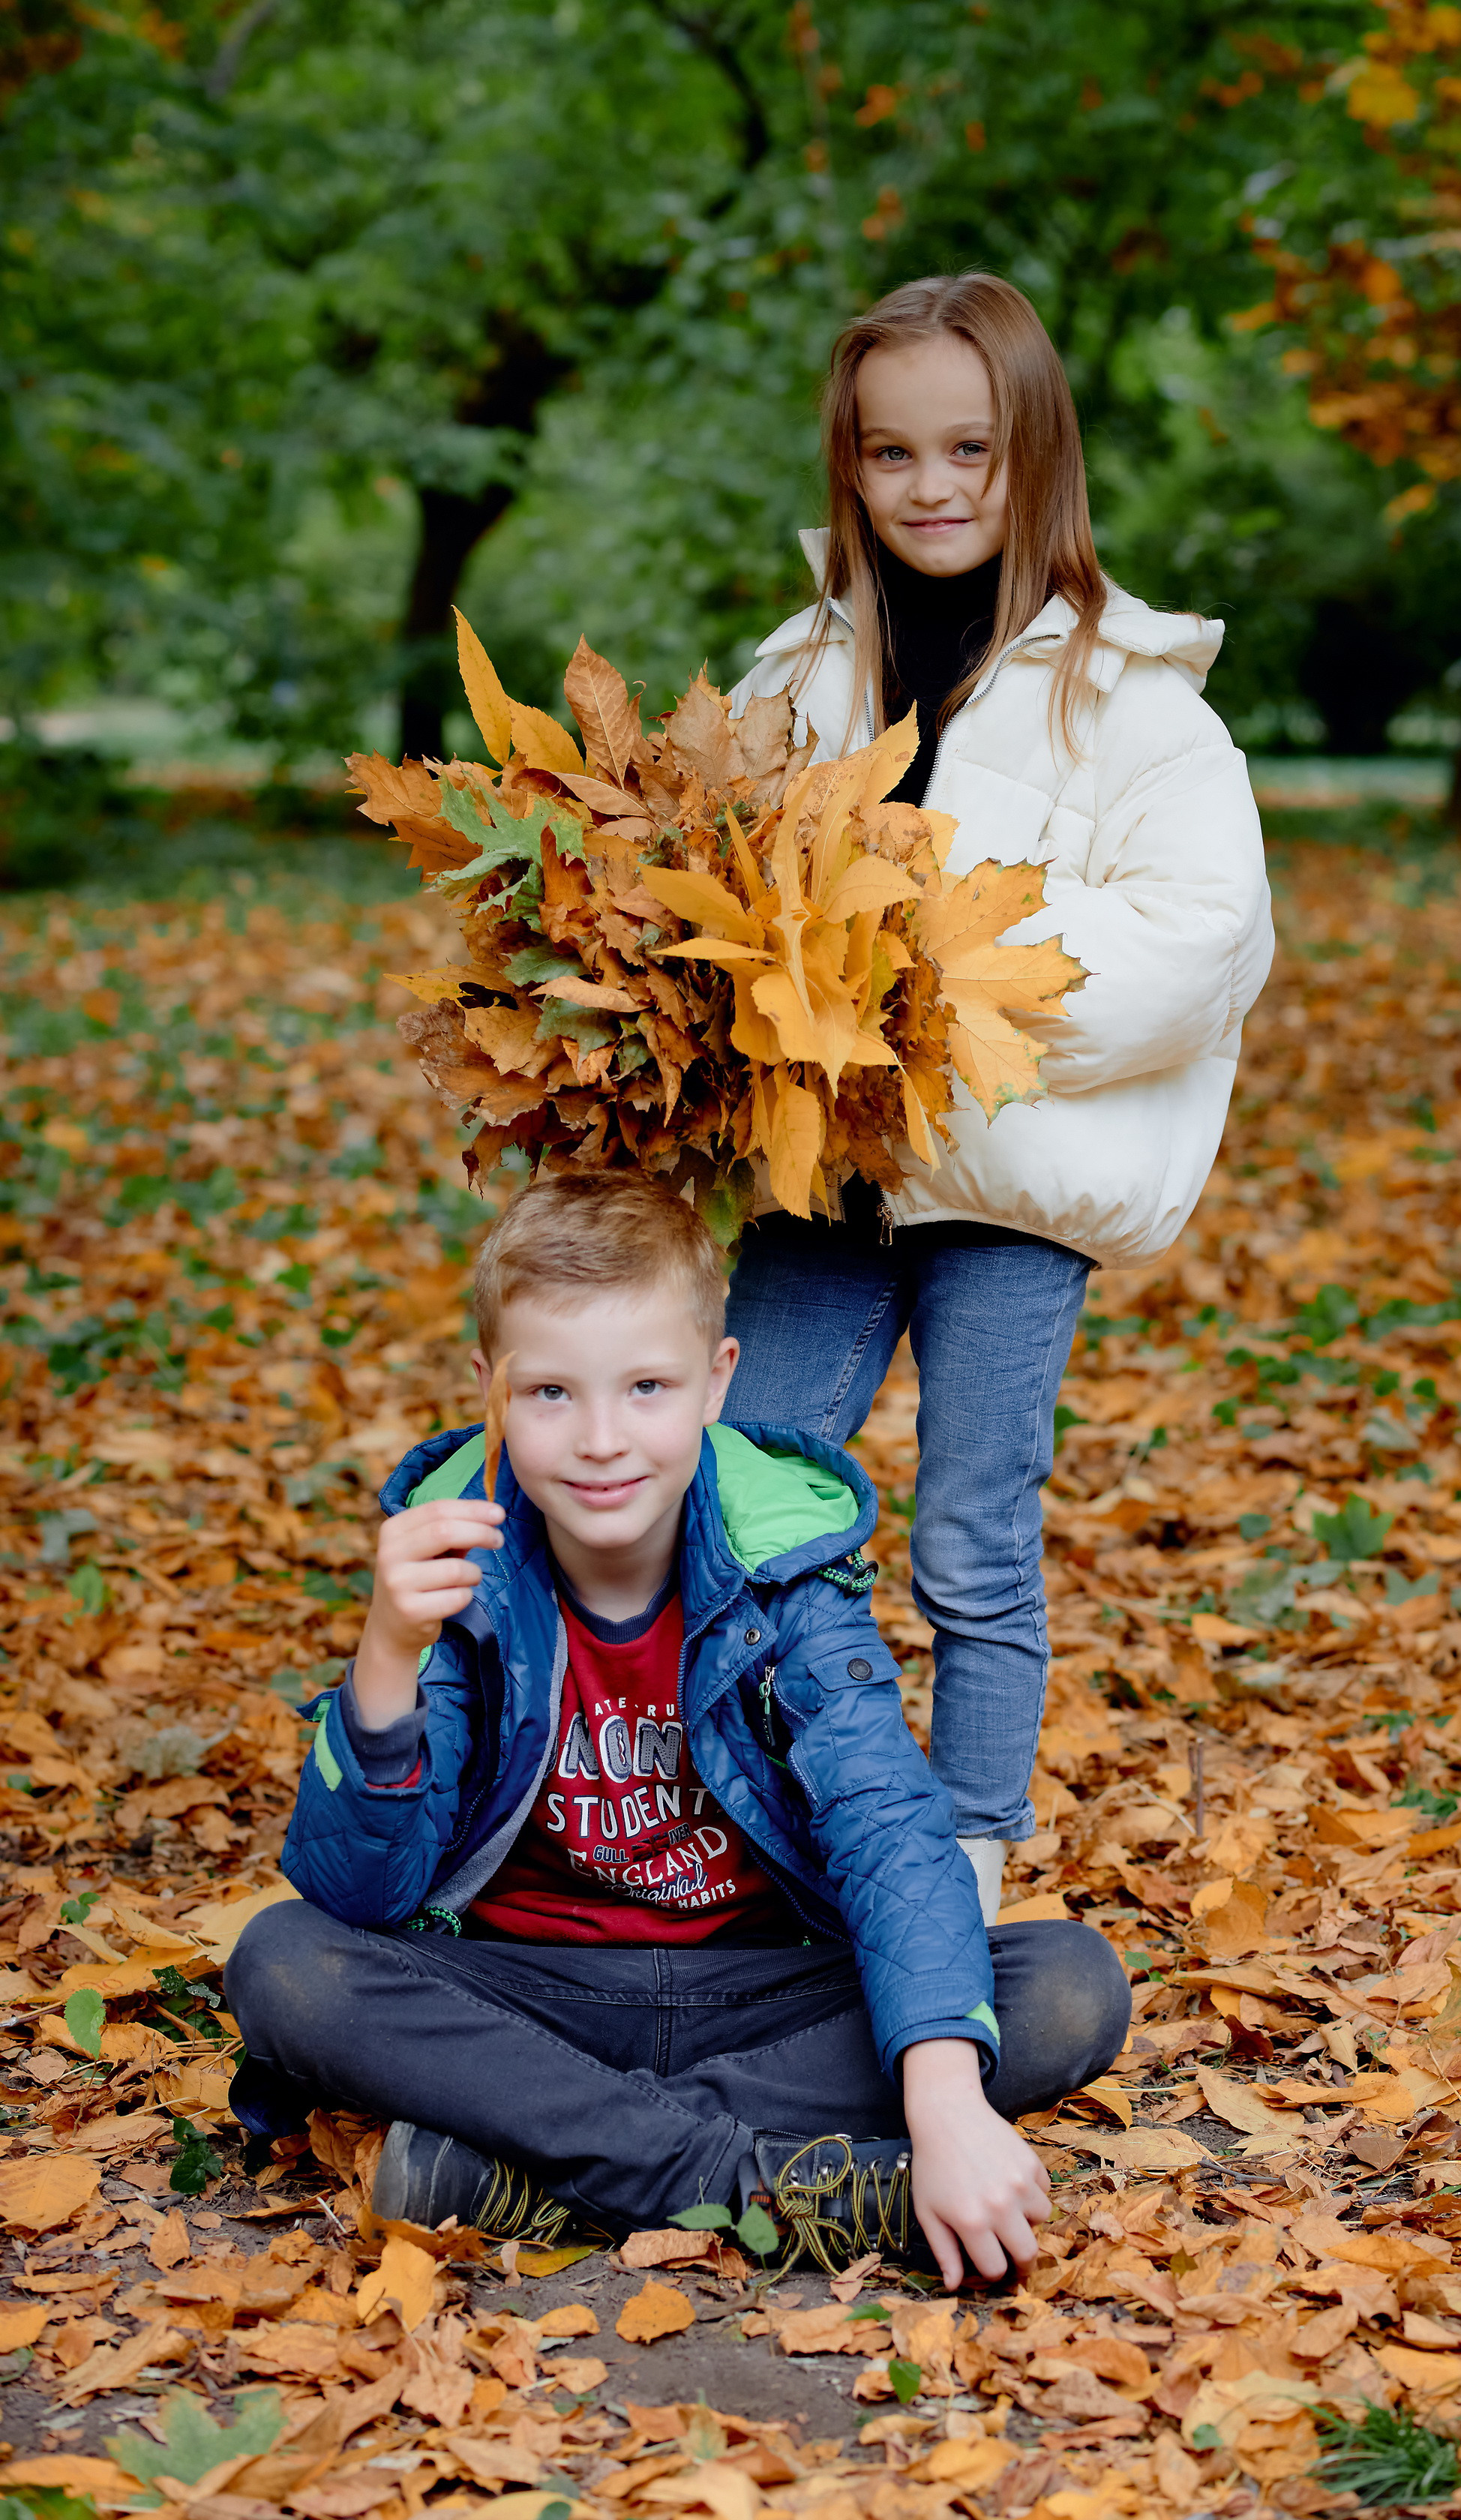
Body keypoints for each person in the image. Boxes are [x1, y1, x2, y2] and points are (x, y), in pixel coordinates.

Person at [226, 1171, 1129, 2284]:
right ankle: (751, 2188)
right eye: (552, 1393)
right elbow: (362, 1894)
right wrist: (383, 1656)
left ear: (717, 1381)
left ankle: (532, 2175)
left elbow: (888, 1827)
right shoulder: (465, 1571)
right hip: (531, 1993)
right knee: (285, 1963)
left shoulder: (782, 1574)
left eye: (646, 1386)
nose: (603, 1439)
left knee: (1066, 1985)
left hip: (753, 1996)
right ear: (491, 1393)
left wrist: (941, 2100)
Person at [722, 274, 1273, 1923]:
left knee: (972, 1525)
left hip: (1012, 1189)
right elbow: (719, 887)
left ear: (1037, 452)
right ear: (849, 468)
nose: (934, 484)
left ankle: (961, 1848)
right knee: (754, 1479)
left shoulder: (1135, 702)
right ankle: (763, 1805)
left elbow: (1200, 943)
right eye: (891, 453)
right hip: (824, 1177)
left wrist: (931, 975)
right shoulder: (794, 678)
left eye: (970, 445)